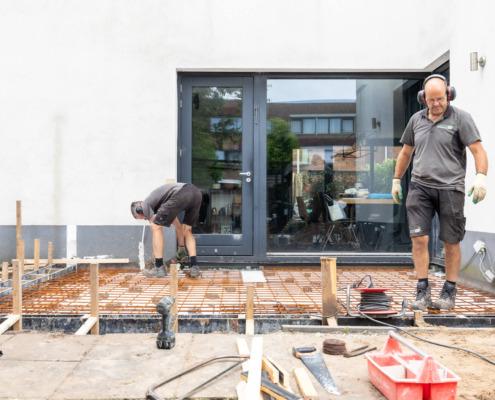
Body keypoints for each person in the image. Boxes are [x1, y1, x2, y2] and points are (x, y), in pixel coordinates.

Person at [392, 74, 488, 311]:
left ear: (449, 94)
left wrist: (481, 176)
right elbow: (406, 153)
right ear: (423, 98)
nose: (436, 104)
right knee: (419, 238)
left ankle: (449, 291)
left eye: (440, 99)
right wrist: (396, 179)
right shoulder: (416, 120)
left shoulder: (461, 118)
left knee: (451, 242)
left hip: (450, 188)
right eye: (431, 100)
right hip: (420, 187)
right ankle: (422, 291)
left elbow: (477, 150)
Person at [131, 183, 203, 278]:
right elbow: (177, 226)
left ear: (138, 211)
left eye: (143, 218)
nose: (146, 218)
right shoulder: (166, 205)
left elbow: (155, 227)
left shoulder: (143, 205)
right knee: (187, 230)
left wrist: (155, 258)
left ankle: (159, 267)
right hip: (196, 193)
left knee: (155, 227)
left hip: (181, 193)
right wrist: (181, 247)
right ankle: (194, 267)